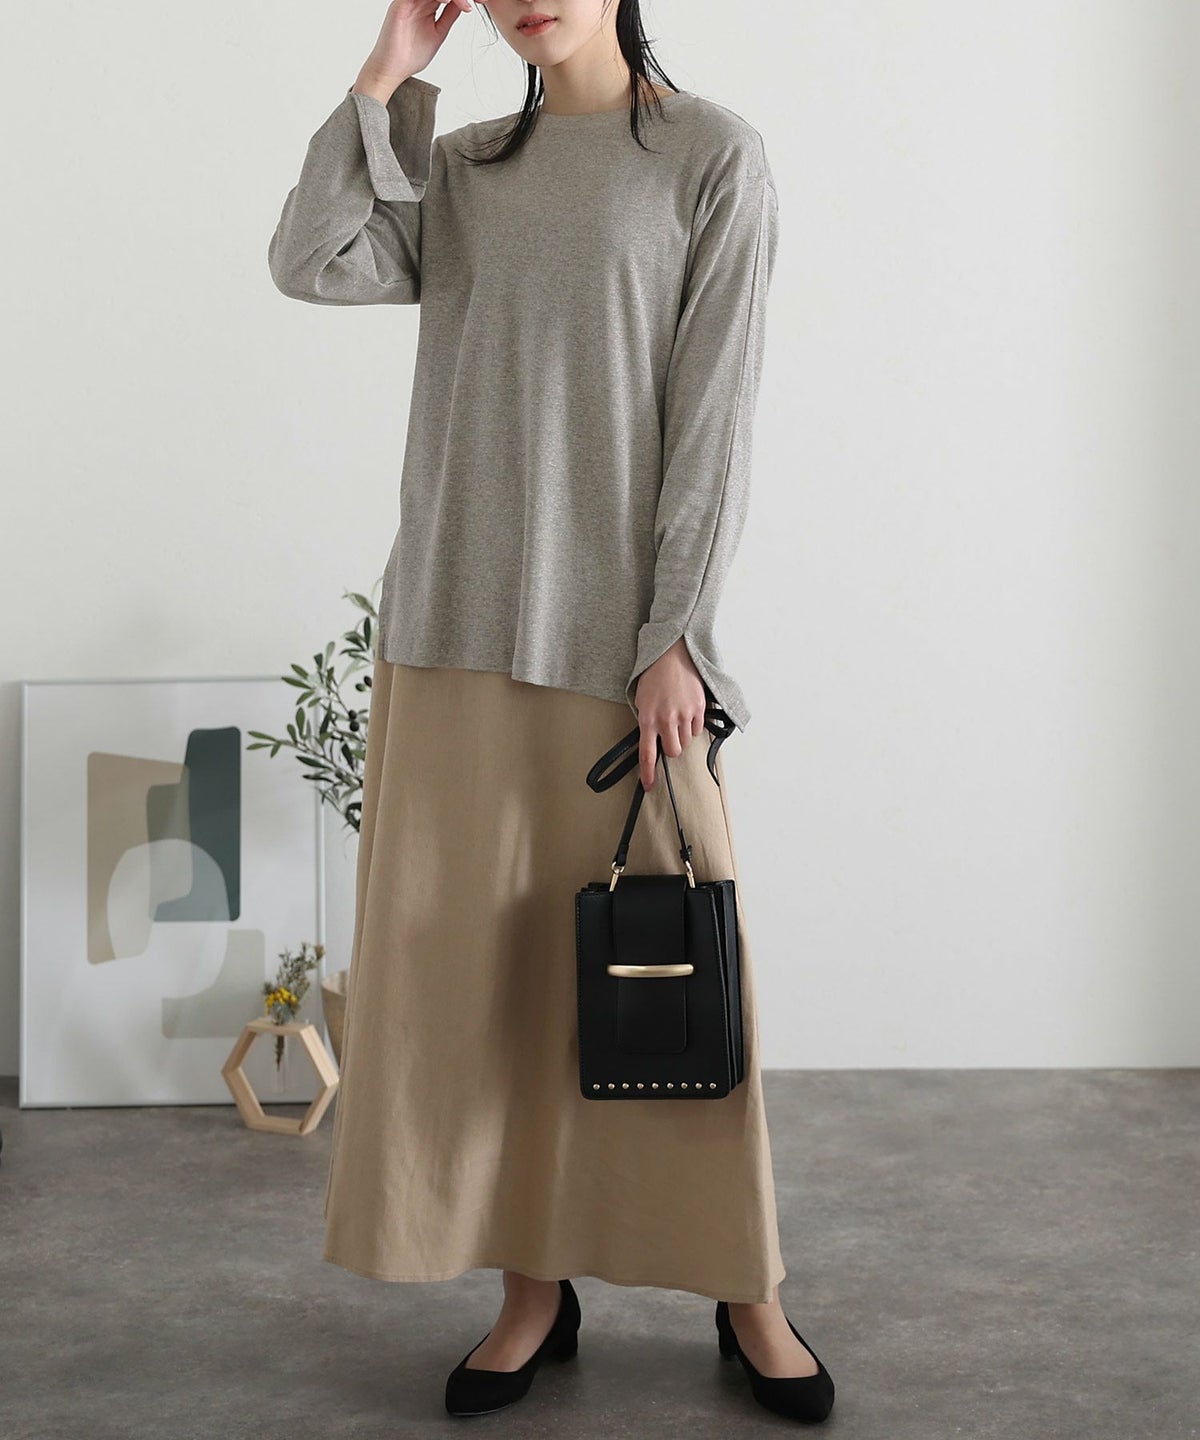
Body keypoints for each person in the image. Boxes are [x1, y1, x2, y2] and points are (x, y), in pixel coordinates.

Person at [267, 0, 835, 1423]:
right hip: (453, 630)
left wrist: (676, 636)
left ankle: (746, 1290)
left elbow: (716, 412)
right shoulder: (464, 166)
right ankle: (532, 1293)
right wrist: (388, 79)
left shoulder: (710, 155)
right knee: (492, 989)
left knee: (679, 971)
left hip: (620, 646)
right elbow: (313, 261)